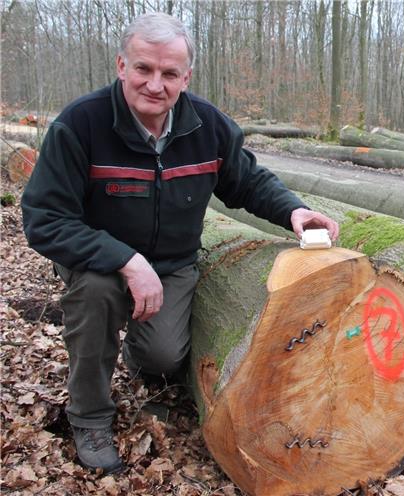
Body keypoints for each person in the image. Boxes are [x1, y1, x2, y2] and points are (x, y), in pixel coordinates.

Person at [21, 12, 339, 475]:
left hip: (171, 265)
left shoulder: (207, 126)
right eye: (144, 69)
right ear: (121, 66)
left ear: (185, 77)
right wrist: (125, 260)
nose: (156, 84)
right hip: (95, 260)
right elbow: (45, 218)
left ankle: (139, 359)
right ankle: (89, 416)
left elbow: (247, 181)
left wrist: (292, 210)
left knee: (164, 355)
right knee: (96, 294)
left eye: (169, 73)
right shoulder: (80, 125)